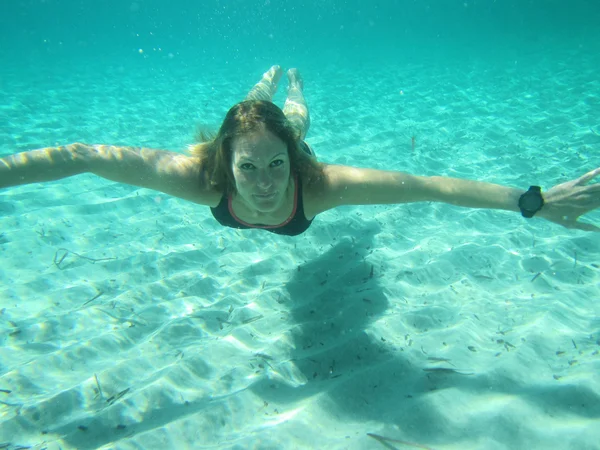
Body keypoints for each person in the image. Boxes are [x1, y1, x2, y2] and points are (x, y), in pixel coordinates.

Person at [1, 65, 599, 236]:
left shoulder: (318, 184)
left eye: (275, 165)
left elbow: (431, 187)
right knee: (245, 115)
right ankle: (258, 88)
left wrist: (531, 200)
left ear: (295, 161)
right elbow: (80, 153)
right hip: (220, 143)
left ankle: (291, 90)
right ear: (225, 168)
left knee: (295, 118)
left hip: (287, 128)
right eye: (248, 169)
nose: (264, 183)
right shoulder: (200, 176)